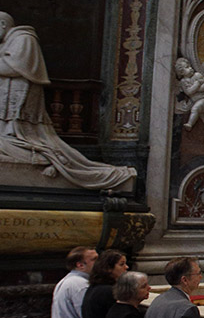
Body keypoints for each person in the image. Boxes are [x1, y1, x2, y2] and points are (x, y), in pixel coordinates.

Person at [0, 12, 136, 189]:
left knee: (21, 140)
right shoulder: (7, 43)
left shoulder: (24, 38)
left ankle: (47, 159)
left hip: (21, 107)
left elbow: (12, 67)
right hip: (9, 104)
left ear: (3, 24)